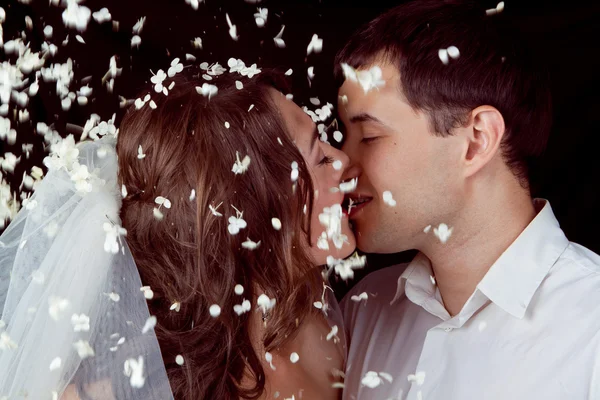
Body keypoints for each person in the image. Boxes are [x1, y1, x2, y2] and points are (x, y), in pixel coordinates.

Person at [0, 64, 356, 400]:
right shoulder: (126, 386)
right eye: (321, 158)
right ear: (249, 214)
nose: (343, 160)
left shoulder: (318, 324)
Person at [335, 1, 600, 399]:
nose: (341, 164)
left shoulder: (592, 329)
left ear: (476, 140)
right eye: (343, 136)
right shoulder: (362, 311)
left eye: (368, 136)